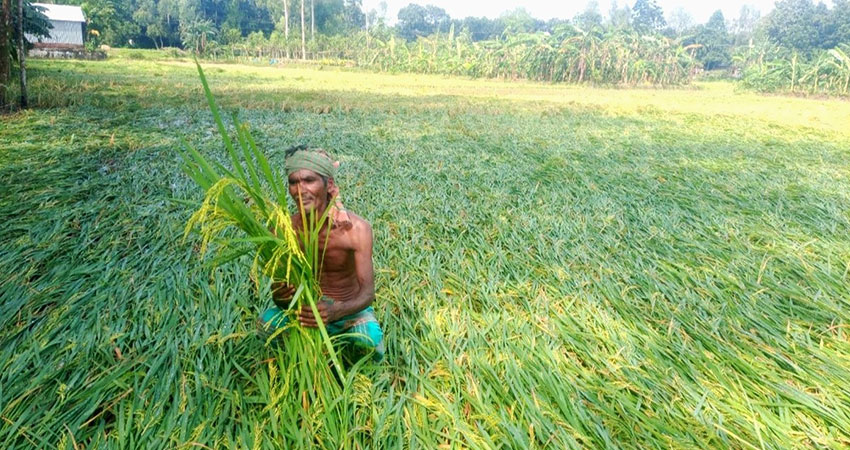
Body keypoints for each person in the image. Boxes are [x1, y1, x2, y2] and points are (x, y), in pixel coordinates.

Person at [258, 145, 385, 361]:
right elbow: (280, 295)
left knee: (368, 341)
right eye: (293, 182)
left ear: (329, 185)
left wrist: (336, 311)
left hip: (347, 313)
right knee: (266, 325)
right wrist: (280, 296)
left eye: (309, 180)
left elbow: (367, 294)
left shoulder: (356, 230)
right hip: (303, 312)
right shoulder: (283, 230)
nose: (300, 190)